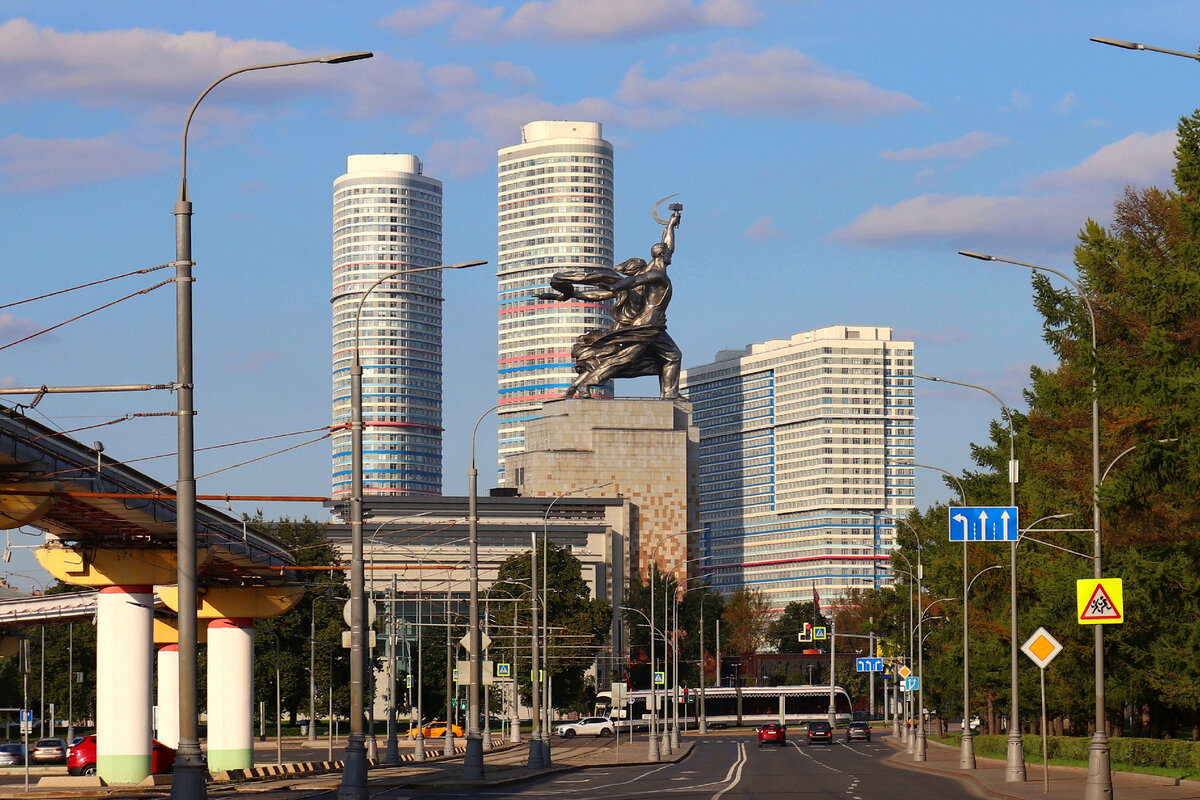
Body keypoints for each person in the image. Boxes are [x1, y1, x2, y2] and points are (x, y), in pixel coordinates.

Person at [538, 205, 683, 399]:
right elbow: (633, 281)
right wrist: (615, 287)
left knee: (666, 357)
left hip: (653, 326)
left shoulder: (658, 267)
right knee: (630, 357)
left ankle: (669, 393)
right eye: (666, 253)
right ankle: (589, 382)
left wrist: (671, 226)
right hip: (648, 326)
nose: (669, 254)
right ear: (661, 255)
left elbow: (667, 245)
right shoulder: (654, 274)